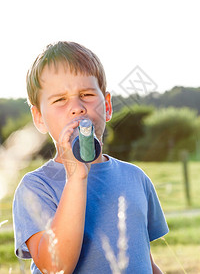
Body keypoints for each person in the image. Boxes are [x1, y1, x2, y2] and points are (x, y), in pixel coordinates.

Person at [13, 41, 169, 274]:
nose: (76, 107)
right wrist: (76, 177)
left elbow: (144, 261)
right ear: (39, 118)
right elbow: (55, 268)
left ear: (106, 106)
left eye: (86, 95)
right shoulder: (35, 188)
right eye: (60, 100)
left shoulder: (135, 177)